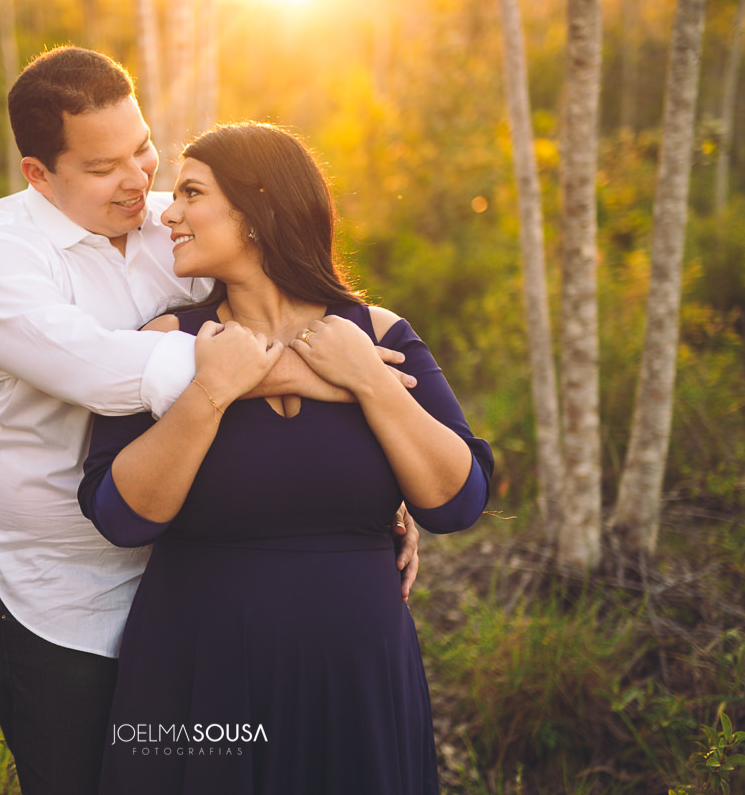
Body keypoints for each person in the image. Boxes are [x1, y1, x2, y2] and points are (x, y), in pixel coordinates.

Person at [0, 47, 420, 795]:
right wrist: (335, 379)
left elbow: (282, 294)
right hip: (68, 595)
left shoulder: (179, 222)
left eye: (142, 149)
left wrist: (369, 483)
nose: (138, 181)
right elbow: (107, 372)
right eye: (103, 167)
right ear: (39, 174)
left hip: (200, 582)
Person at [78, 122, 494, 794]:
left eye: (190, 193)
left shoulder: (378, 336)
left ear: (257, 209)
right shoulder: (165, 342)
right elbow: (120, 515)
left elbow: (458, 502)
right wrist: (211, 391)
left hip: (357, 680)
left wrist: (367, 382)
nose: (168, 214)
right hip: (199, 675)